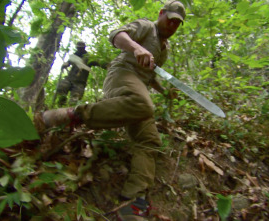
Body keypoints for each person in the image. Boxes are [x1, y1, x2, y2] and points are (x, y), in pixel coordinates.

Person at [42, 1, 186, 220]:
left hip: (138, 89)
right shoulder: (147, 27)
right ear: (161, 14)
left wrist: (164, 91)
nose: (173, 25)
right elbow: (117, 35)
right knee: (144, 104)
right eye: (170, 19)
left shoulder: (164, 50)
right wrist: (136, 47)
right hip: (121, 75)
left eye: (177, 24)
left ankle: (132, 202)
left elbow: (149, 74)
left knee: (150, 141)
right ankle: (70, 115)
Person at [55, 41, 105, 106]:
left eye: (81, 48)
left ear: (84, 48)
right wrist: (65, 64)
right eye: (79, 48)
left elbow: (99, 63)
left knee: (75, 99)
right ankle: (61, 104)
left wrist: (106, 65)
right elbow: (68, 63)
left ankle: (70, 111)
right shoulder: (74, 56)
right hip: (69, 78)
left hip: (80, 82)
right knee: (61, 88)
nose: (80, 49)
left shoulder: (89, 57)